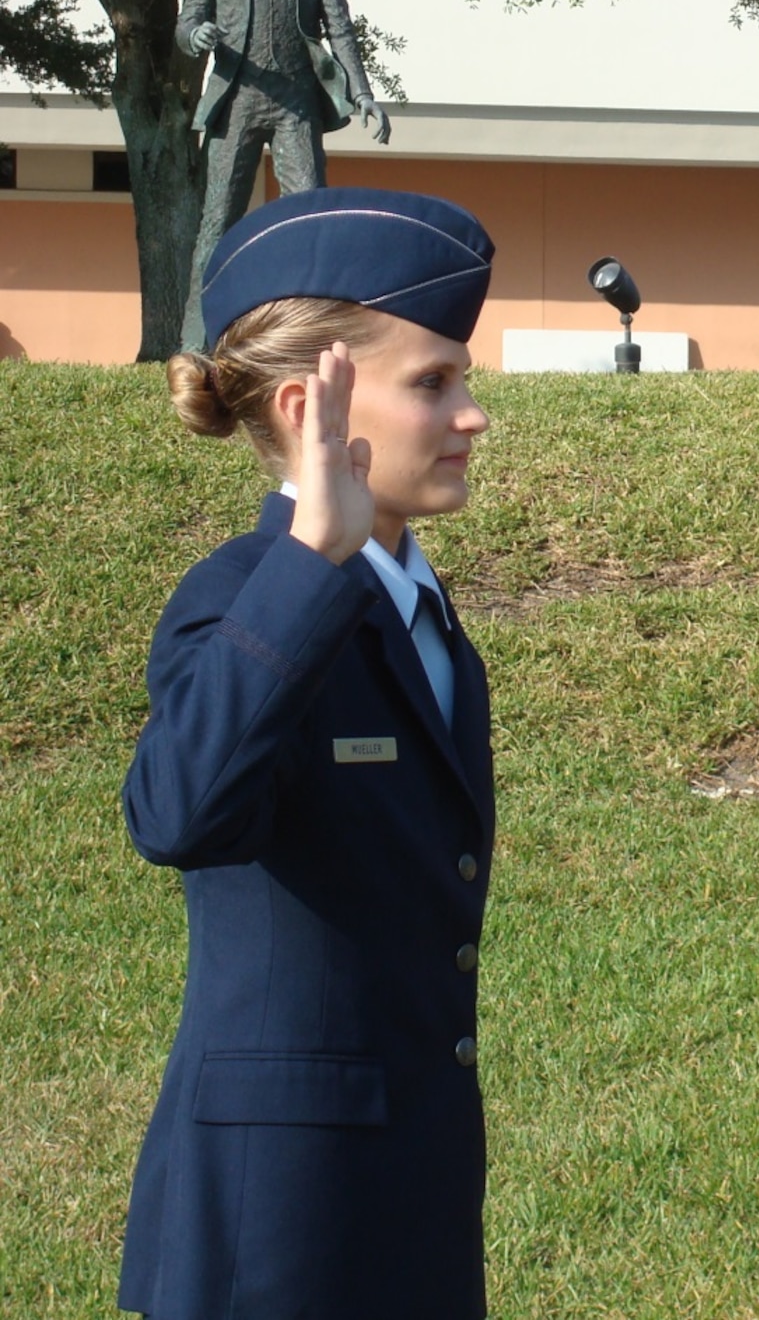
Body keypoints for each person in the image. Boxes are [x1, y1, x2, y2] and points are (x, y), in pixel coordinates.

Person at [118, 187, 497, 1319]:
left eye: (461, 380)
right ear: (306, 405)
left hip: (408, 1194)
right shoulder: (242, 599)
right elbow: (174, 816)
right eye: (433, 382)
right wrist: (309, 561)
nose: (471, 414)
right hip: (274, 1225)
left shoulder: (423, 610)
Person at [175, 0, 391, 350]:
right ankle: (194, 343)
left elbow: (342, 33)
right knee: (217, 222)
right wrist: (197, 36)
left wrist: (362, 93)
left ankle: (308, 339)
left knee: (309, 218)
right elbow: (185, 24)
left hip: (296, 105)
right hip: (238, 102)